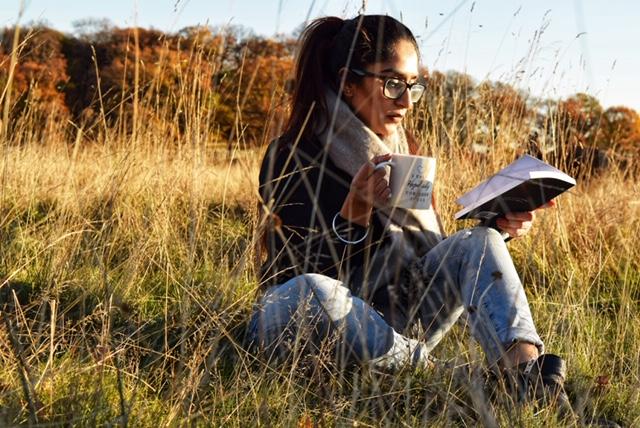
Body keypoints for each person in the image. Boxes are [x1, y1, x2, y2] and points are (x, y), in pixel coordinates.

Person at [248, 14, 569, 411]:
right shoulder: (293, 153)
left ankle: (527, 380)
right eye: (392, 83)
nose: (405, 101)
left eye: (413, 87)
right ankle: (449, 377)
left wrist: (497, 226)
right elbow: (289, 271)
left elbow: (424, 257)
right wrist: (353, 216)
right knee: (314, 290)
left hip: (392, 321)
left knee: (479, 240)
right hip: (296, 319)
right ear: (349, 81)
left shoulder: (399, 150)